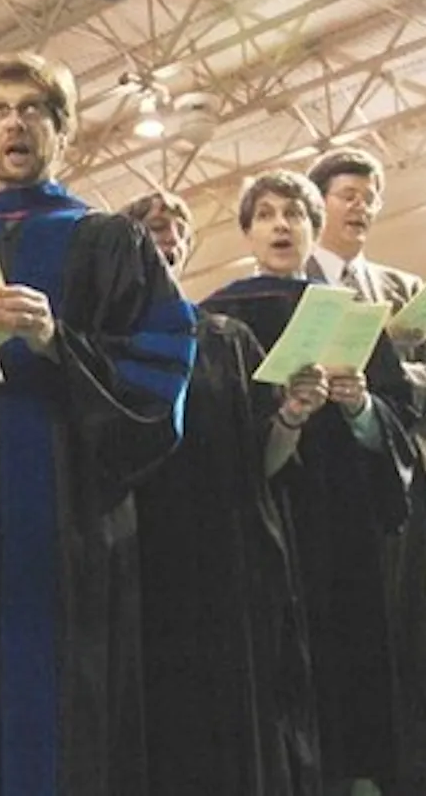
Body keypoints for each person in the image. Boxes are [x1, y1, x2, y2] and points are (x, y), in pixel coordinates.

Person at [0, 53, 196, 796]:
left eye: (34, 110)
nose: (15, 123)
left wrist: (62, 344)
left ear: (62, 129)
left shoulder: (110, 243)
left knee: (65, 702)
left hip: (70, 529)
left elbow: (159, 378)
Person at [201, 170, 416, 796]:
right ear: (246, 231)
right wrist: (287, 418)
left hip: (344, 520)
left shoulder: (355, 318)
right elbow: (217, 436)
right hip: (264, 519)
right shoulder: (218, 319)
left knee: (349, 659)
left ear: (312, 230)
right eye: (264, 215)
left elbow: (397, 421)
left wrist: (361, 407)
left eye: (294, 215)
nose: (280, 226)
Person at [123, 189, 319, 796]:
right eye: (152, 227)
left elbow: (266, 459)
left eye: (177, 229)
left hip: (229, 559)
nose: (167, 238)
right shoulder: (106, 338)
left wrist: (291, 414)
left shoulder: (228, 338)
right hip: (143, 562)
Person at [305, 148, 426, 796]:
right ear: (317, 202)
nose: (362, 205)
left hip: (406, 497)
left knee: (414, 662)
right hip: (326, 497)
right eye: (349, 192)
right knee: (342, 657)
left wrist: (393, 373)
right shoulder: (293, 285)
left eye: (371, 195)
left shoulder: (406, 293)